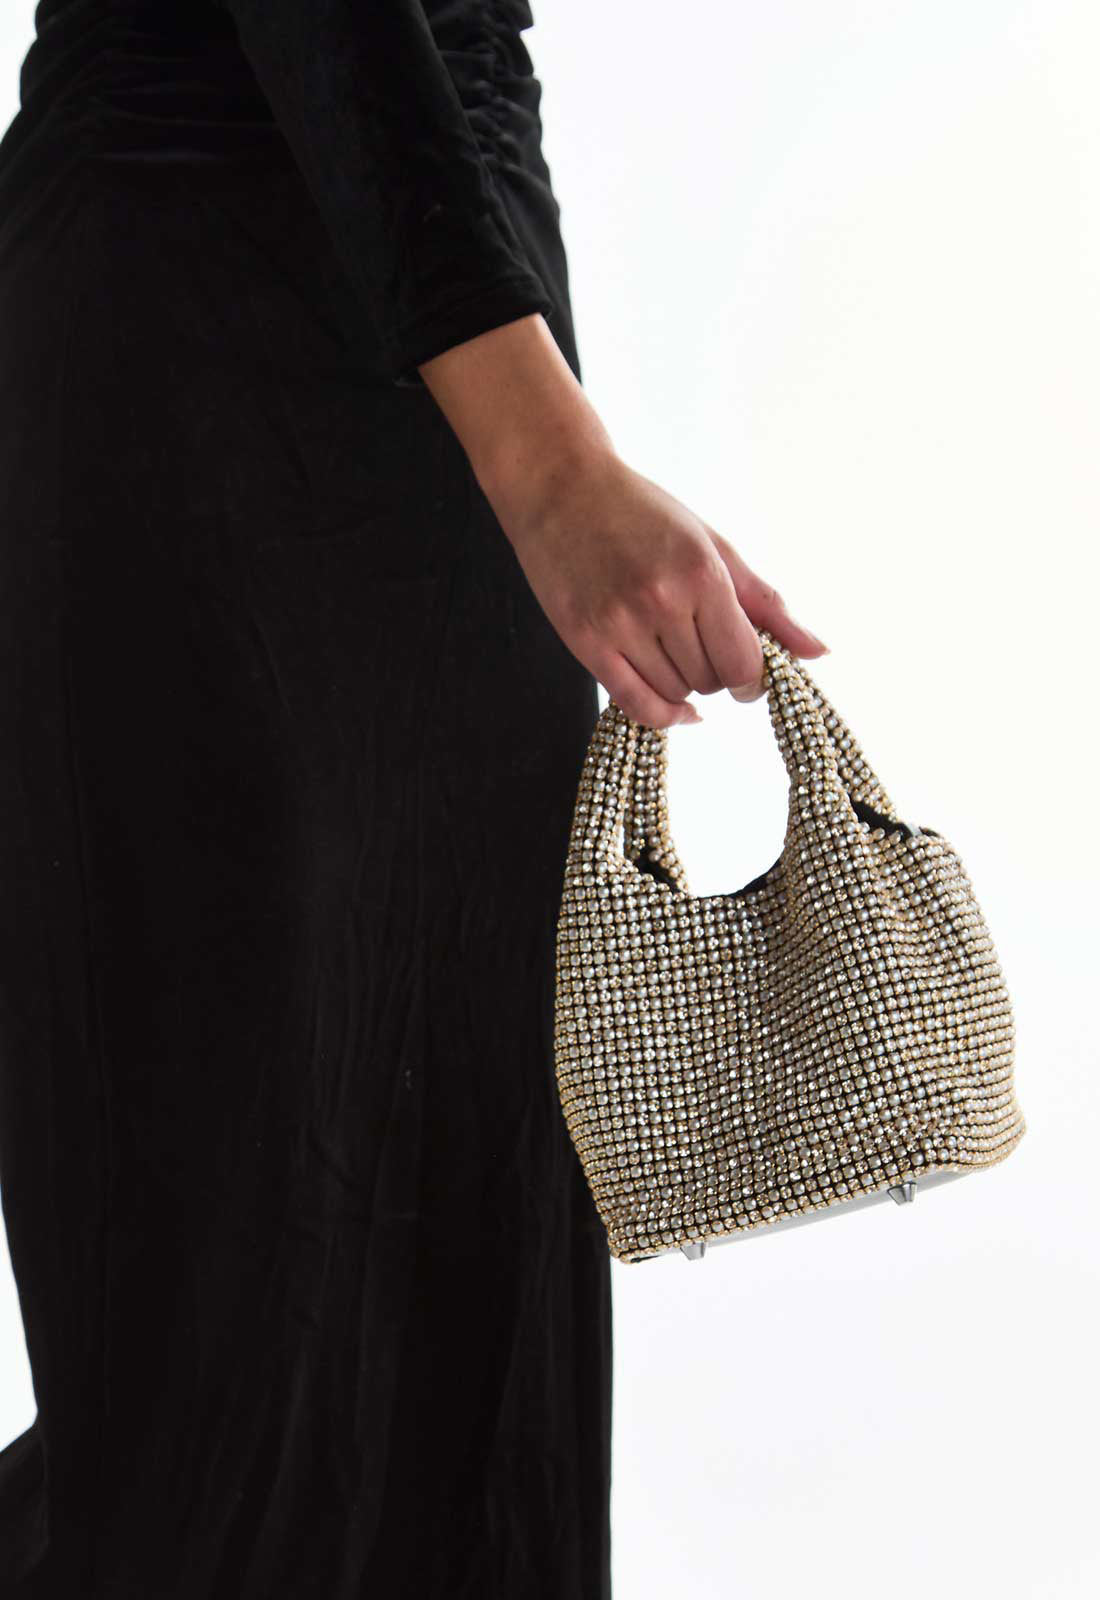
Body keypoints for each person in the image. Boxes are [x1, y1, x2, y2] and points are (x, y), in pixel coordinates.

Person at [0, 1, 826, 1594]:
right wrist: (553, 466)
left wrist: (537, 442)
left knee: (452, 1250)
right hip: (207, 298)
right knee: (237, 1304)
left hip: (455, 308)